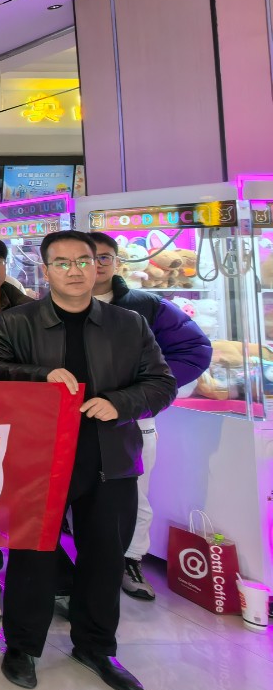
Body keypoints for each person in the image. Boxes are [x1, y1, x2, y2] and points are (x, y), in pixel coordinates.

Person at [0, 230, 176, 690]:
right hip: (40, 456)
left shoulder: (128, 323)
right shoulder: (16, 322)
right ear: (45, 270)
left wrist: (120, 403)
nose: (75, 271)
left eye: (84, 261)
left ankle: (96, 647)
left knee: (105, 557)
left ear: (100, 265)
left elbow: (161, 382)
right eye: (62, 263)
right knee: (33, 555)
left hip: (109, 455)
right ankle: (22, 646)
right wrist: (40, 376)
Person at [89, 231, 211, 601]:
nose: (94, 265)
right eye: (84, 258)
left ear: (117, 262)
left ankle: (131, 558)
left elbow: (194, 348)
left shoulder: (146, 305)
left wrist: (145, 389)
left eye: (103, 257)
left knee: (134, 490)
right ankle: (87, 564)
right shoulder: (53, 306)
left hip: (132, 418)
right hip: (76, 418)